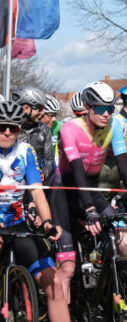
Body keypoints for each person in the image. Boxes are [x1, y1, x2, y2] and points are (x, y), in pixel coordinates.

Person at [54, 81, 127, 303]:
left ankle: (106, 288)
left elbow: (124, 167)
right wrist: (89, 209)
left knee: (116, 232)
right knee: (67, 268)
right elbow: (77, 172)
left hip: (91, 188)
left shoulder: (114, 126)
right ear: (87, 107)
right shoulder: (70, 129)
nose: (106, 114)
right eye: (100, 108)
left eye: (110, 109)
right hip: (66, 191)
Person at [0, 100, 70, 321]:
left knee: (55, 283)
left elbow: (37, 192)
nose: (8, 132)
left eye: (14, 127)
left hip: (17, 224)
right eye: (2, 126)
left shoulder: (25, 151)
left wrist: (47, 221)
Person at [11, 87, 56, 185]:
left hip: (35, 184)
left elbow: (49, 160)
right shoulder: (9, 129)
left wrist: (43, 174)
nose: (43, 113)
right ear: (26, 108)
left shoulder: (44, 130)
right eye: (39, 108)